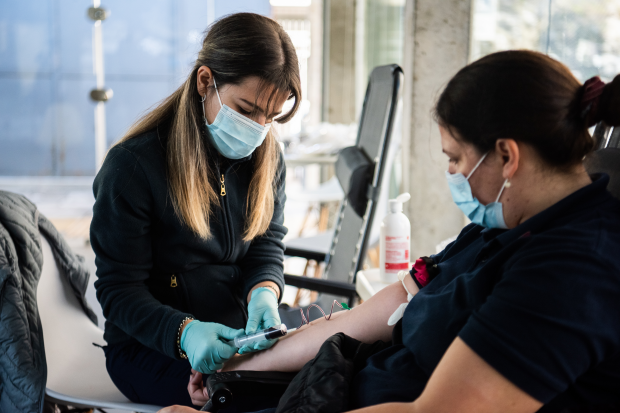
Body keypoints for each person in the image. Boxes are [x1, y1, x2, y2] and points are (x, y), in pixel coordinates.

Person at [160, 50, 620, 413]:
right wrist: (240, 366)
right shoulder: (506, 227)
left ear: (506, 156)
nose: (453, 173)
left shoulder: (571, 273)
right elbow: (393, 302)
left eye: (455, 158)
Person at [89, 12, 301, 407]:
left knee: (321, 377)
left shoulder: (268, 159)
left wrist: (264, 294)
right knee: (262, 400)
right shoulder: (132, 168)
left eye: (270, 118)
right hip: (148, 348)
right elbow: (118, 291)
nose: (258, 130)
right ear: (206, 82)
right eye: (248, 109)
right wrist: (184, 332)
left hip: (238, 337)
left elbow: (266, 246)